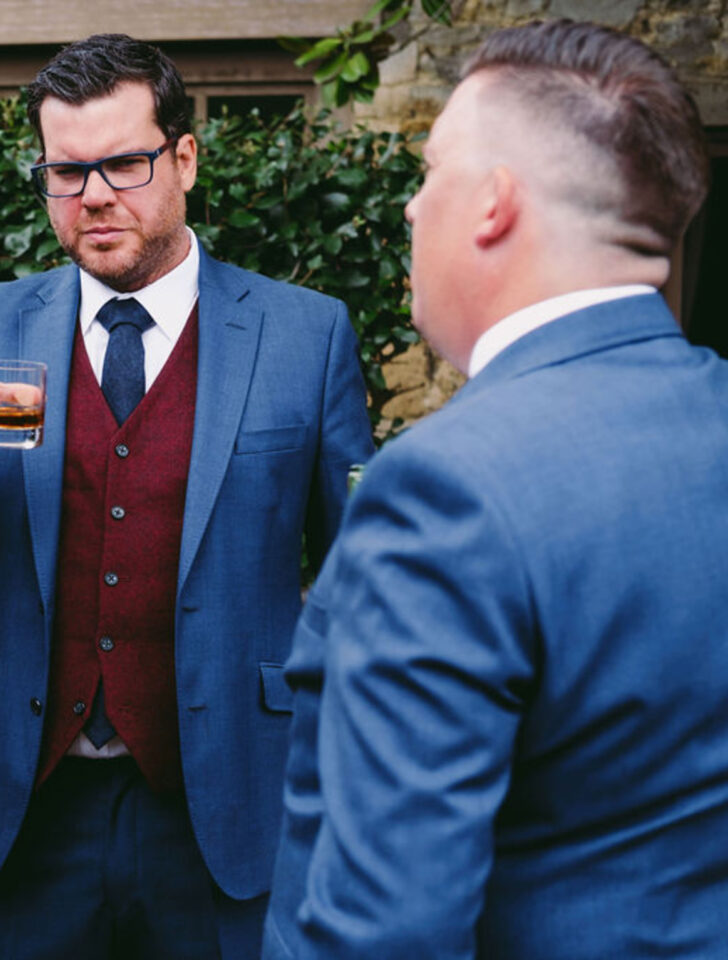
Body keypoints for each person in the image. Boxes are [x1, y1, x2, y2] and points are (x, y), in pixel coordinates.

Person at [0, 33, 373, 960]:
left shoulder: (303, 336)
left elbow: (363, 576)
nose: (96, 195)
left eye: (124, 162)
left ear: (185, 158)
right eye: (67, 173)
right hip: (24, 802)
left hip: (224, 799)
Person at [262, 18, 724, 960]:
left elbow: (385, 933)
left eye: (430, 172)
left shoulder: (446, 492)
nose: (408, 208)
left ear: (492, 204)